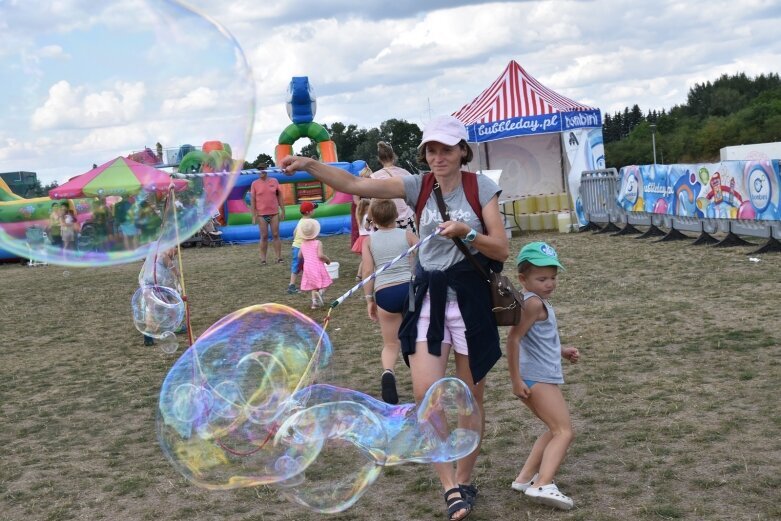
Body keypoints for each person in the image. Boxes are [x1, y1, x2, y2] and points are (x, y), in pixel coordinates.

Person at [280, 114, 509, 521]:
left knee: (471, 398)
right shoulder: (418, 185)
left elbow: (501, 250)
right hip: (428, 300)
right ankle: (449, 486)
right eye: (430, 150)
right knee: (426, 394)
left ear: (462, 151)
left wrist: (466, 233)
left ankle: (466, 476)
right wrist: (310, 165)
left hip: (470, 301)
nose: (437, 157)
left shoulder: (481, 188)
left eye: (445, 149)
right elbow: (355, 185)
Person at [505, 242, 580, 511]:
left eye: (553, 278)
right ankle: (542, 484)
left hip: (536, 375)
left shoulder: (535, 301)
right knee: (564, 431)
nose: (549, 283)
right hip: (535, 377)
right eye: (542, 278)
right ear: (523, 279)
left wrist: (562, 350)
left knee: (554, 429)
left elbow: (535, 340)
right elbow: (513, 340)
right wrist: (516, 380)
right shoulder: (533, 303)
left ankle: (525, 479)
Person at [361, 198, 418, 404]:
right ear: (396, 216)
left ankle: (388, 373)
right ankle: (421, 377)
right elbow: (421, 259)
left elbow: (368, 271)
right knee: (415, 339)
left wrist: (369, 299)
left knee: (391, 343)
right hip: (409, 290)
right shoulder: (408, 235)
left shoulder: (369, 241)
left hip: (385, 293)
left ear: (373, 219)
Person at [371, 141, 416, 233]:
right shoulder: (405, 173)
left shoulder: (375, 176)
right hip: (407, 218)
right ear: (393, 156)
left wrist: (368, 220)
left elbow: (373, 201)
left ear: (379, 158)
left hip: (385, 220)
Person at [250, 169, 285, 264]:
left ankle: (279, 257)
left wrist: (283, 210)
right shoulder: (254, 183)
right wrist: (254, 215)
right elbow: (252, 200)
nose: (261, 172)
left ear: (266, 171)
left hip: (274, 213)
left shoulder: (274, 181)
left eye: (263, 170)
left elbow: (280, 196)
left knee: (276, 234)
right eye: (259, 170)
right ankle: (263, 259)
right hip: (261, 214)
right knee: (264, 236)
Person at [297, 218, 333, 310]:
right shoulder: (318, 243)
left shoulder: (302, 244)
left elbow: (299, 256)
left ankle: (314, 303)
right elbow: (320, 255)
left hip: (308, 268)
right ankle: (320, 293)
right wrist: (327, 260)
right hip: (317, 266)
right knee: (327, 283)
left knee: (314, 285)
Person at [288, 201, 317, 294]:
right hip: (302, 247)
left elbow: (294, 232)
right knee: (306, 264)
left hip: (296, 245)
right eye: (313, 209)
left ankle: (292, 285)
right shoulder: (310, 222)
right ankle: (294, 286)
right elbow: (312, 235)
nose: (314, 211)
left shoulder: (300, 221)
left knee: (297, 265)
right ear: (309, 212)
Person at [352, 197, 372, 280]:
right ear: (367, 208)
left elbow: (358, 210)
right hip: (369, 238)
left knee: (364, 258)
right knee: (368, 258)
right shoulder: (368, 217)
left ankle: (359, 275)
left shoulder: (359, 216)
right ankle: (361, 274)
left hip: (362, 238)